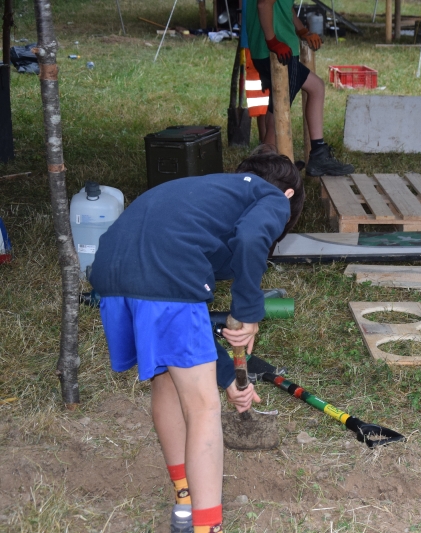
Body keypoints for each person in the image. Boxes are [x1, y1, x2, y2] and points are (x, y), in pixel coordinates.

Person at [90, 148, 305, 533]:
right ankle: (207, 527)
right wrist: (248, 311)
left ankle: (185, 503)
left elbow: (182, 327)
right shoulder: (273, 197)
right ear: (287, 196)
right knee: (204, 408)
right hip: (163, 277)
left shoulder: (206, 194)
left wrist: (226, 376)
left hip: (111, 271)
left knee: (167, 379)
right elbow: (252, 236)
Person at [246, 0, 354, 176]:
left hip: (266, 51)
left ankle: (273, 161)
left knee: (280, 105)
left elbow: (285, 6)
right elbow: (264, 4)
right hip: (277, 52)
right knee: (287, 106)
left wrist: (302, 30)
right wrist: (272, 41)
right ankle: (266, 166)